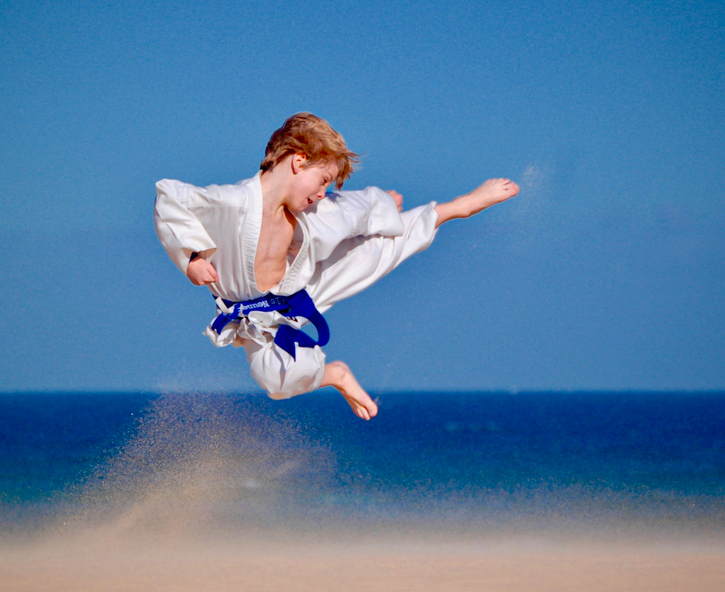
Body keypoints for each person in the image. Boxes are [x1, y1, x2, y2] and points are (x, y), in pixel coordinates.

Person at [154, 112, 518, 419]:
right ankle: (336, 374)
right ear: (298, 161)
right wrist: (189, 259)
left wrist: (383, 207)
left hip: (301, 289)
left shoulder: (312, 210)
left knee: (370, 247)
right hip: (255, 317)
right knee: (276, 382)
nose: (322, 191)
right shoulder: (231, 202)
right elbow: (169, 197)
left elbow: (347, 211)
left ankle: (456, 207)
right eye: (324, 179)